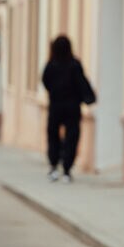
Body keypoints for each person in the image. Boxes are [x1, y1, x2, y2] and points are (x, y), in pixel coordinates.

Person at [41, 35, 94, 183]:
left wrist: (55, 92)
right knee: (72, 136)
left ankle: (53, 165)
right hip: (72, 106)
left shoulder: (51, 65)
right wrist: (87, 96)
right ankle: (66, 169)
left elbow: (45, 82)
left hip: (56, 106)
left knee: (53, 135)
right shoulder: (74, 64)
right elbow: (81, 82)